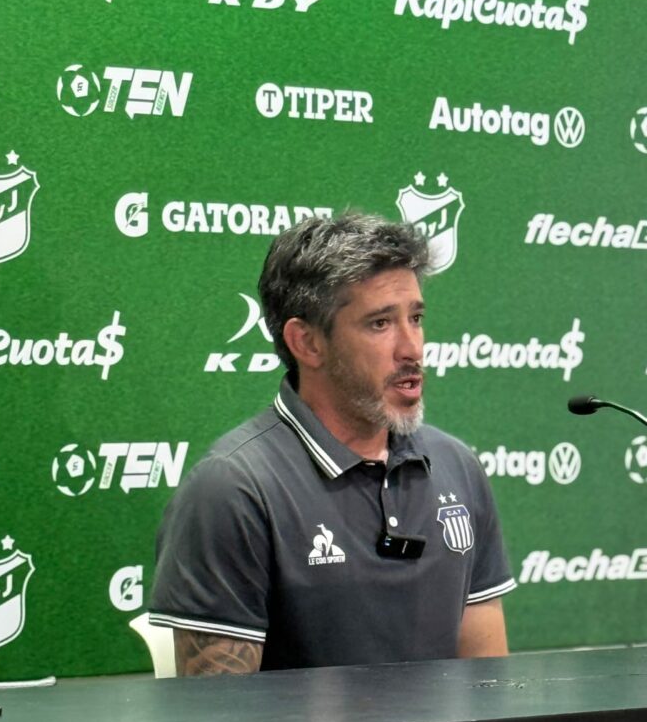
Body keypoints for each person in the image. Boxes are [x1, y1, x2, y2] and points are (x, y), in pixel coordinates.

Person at [150, 213, 516, 675]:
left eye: (416, 318)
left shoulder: (457, 467)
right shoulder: (233, 488)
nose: (412, 348)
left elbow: (488, 684)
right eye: (380, 323)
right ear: (307, 342)